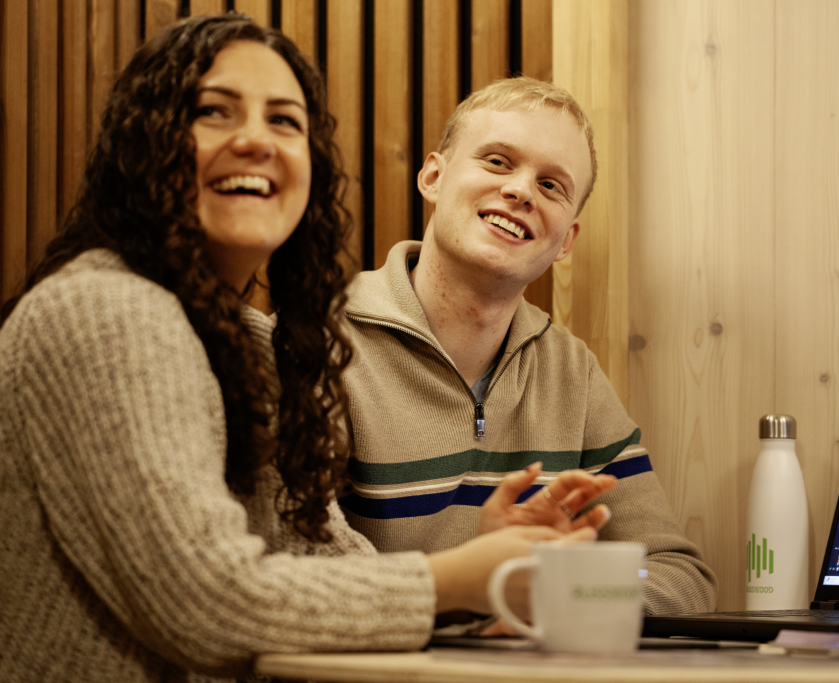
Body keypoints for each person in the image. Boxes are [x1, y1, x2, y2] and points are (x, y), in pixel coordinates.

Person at [0, 16, 604, 682]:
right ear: (146, 143)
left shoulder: (254, 343)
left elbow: (315, 556)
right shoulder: (104, 309)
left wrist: (479, 571)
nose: (257, 140)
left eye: (285, 121)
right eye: (214, 111)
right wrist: (453, 581)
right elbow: (206, 602)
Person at [339, 77, 718, 617]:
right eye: (497, 161)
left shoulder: (571, 372)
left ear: (566, 240)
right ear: (433, 176)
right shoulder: (318, 345)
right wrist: (478, 592)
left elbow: (677, 572)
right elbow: (288, 580)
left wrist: (558, 598)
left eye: (551, 185)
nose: (519, 191)